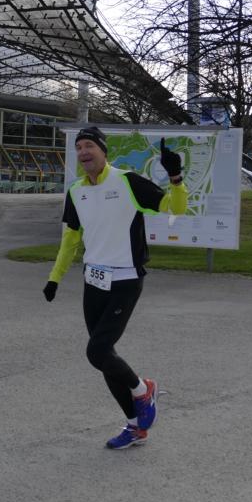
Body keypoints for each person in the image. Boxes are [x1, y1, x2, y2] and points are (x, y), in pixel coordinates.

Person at [42, 126, 187, 450]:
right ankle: (135, 426)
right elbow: (70, 241)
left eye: (89, 145)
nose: (83, 152)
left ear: (103, 151)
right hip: (94, 281)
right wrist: (54, 278)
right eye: (79, 147)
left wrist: (176, 178)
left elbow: (175, 208)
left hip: (125, 280)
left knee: (97, 351)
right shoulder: (76, 191)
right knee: (104, 356)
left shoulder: (127, 181)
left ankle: (143, 390)